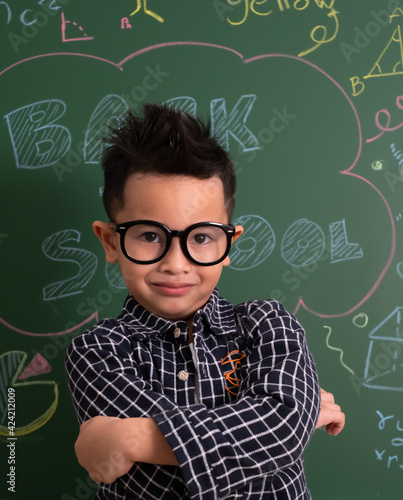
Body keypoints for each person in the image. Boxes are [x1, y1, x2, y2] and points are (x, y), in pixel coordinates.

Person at [65, 104, 344, 500]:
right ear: (111, 241)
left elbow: (281, 432)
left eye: (200, 238)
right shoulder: (96, 351)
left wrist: (130, 436)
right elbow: (158, 485)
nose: (176, 264)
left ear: (228, 243)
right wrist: (290, 422)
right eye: (148, 236)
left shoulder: (269, 324)